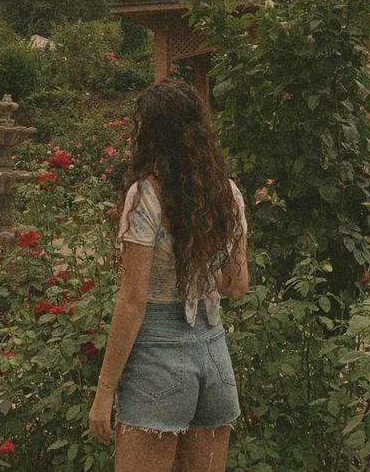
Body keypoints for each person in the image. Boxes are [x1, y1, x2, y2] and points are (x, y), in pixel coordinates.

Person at [88, 78, 248, 471]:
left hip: (156, 363)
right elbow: (237, 285)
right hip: (214, 360)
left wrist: (104, 392)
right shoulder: (228, 194)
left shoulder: (145, 196)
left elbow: (133, 300)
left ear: (152, 133)